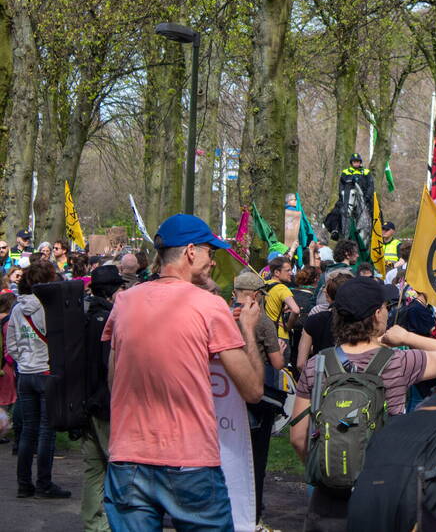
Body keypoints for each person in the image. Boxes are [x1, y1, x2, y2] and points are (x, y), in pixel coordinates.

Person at [101, 214, 265, 529]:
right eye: (210, 252)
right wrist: (247, 328)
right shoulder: (209, 306)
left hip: (127, 458)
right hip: (189, 462)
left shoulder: (124, 303)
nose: (213, 262)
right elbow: (254, 390)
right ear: (191, 251)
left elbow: (114, 379)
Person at [289, 277, 436, 530]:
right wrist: (407, 337)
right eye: (385, 307)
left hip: (328, 499)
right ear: (377, 314)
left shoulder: (317, 365)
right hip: (382, 492)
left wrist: (330, 471)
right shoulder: (399, 362)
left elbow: (298, 437)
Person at [6, 260, 71, 498]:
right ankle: (44, 483)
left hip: (25, 374)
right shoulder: (49, 309)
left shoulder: (16, 308)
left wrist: (23, 361)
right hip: (46, 372)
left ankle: (24, 484)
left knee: (27, 431)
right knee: (46, 431)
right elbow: (61, 341)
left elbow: (12, 344)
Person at [230, 271, 285, 529]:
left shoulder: (225, 316)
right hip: (257, 394)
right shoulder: (263, 322)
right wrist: (281, 351)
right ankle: (253, 517)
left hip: (228, 392)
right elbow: (277, 363)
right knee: (256, 459)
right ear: (256, 295)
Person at [81, 265, 124, 531]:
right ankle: (118, 523)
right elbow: (110, 367)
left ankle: (94, 524)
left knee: (93, 469)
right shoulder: (109, 320)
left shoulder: (83, 317)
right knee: (118, 466)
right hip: (105, 404)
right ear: (112, 292)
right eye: (120, 288)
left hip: (83, 402)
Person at [263, 256, 300, 350]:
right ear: (276, 272)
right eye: (287, 271)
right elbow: (296, 310)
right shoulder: (282, 289)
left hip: (264, 333)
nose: (291, 273)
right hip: (280, 335)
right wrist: (288, 326)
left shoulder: (264, 285)